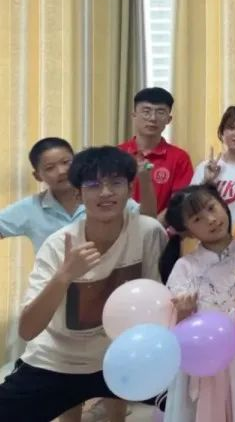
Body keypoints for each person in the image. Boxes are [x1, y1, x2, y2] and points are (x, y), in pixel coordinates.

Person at [0, 147, 167, 421]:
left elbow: (158, 299)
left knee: (194, 396)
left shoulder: (148, 232)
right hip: (59, 361)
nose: (106, 193)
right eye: (93, 185)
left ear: (129, 189)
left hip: (124, 357)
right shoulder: (58, 245)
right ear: (78, 195)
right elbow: (28, 330)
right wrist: (65, 275)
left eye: (116, 183)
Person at [159, 185, 235, 422]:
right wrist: (183, 312)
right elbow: (172, 330)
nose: (211, 219)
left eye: (211, 208)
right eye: (197, 219)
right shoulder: (185, 267)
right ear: (188, 231)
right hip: (205, 361)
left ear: (223, 204)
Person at [0, 138, 147, 253]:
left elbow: (146, 220)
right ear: (37, 176)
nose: (61, 171)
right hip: (55, 279)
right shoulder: (30, 208)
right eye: (50, 168)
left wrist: (147, 181)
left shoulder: (103, 196)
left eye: (66, 162)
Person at [118, 87, 193, 215]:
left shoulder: (179, 158)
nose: (153, 118)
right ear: (134, 115)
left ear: (169, 119)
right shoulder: (117, 154)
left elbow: (179, 203)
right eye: (146, 111)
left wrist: (153, 225)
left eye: (160, 112)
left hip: (161, 226)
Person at [191, 106, 235, 225]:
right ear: (222, 132)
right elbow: (190, 208)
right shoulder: (206, 167)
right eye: (231, 128)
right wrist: (206, 182)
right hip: (214, 233)